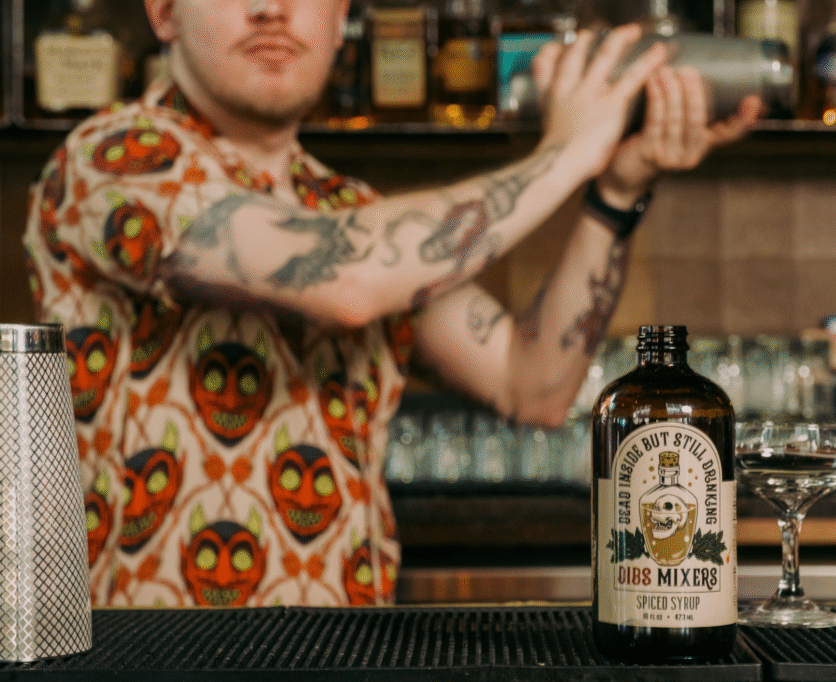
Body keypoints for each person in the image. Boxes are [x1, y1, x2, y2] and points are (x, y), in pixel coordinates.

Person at [22, 0, 760, 607]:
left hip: (348, 655)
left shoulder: (349, 210)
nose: (273, 9)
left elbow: (531, 383)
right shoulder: (113, 161)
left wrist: (614, 194)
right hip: (155, 660)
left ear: (339, 17)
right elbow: (344, 284)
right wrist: (568, 150)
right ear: (162, 11)